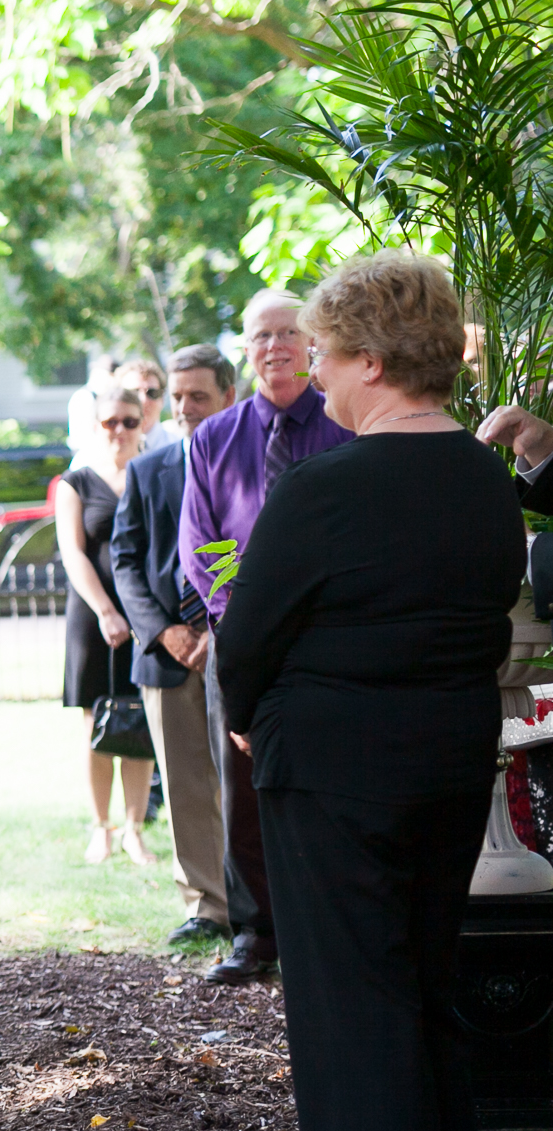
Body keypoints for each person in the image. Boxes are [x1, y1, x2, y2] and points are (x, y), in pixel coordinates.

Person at [217, 251, 511, 1131]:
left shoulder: (324, 487)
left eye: (332, 358)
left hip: (333, 770)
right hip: (445, 758)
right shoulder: (486, 479)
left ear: (374, 362)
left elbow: (244, 637)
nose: (322, 379)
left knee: (353, 1007)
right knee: (425, 990)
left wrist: (249, 720)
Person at [179, 289, 353, 984]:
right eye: (261, 336)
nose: (275, 346)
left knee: (330, 778)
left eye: (288, 333)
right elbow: (200, 544)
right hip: (241, 640)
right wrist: (243, 612)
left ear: (311, 343)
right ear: (245, 350)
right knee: (243, 786)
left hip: (330, 638)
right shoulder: (213, 439)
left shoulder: (345, 428)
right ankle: (255, 932)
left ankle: (328, 921)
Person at [112, 344, 238, 944]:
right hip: (166, 654)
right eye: (178, 396)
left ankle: (256, 902)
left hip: (237, 647)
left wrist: (220, 630)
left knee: (243, 780)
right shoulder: (147, 469)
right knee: (187, 783)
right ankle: (207, 907)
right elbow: (125, 561)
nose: (185, 407)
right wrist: (166, 630)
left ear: (228, 398)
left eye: (199, 396)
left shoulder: (254, 465)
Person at [59, 385, 157, 865]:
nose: (119, 430)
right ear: (96, 426)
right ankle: (101, 827)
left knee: (141, 724)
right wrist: (106, 612)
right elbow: (74, 553)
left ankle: (136, 830)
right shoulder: (74, 483)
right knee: (96, 725)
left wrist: (141, 616)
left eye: (129, 421)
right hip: (93, 617)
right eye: (109, 422)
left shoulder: (156, 474)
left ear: (144, 423)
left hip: (146, 617)